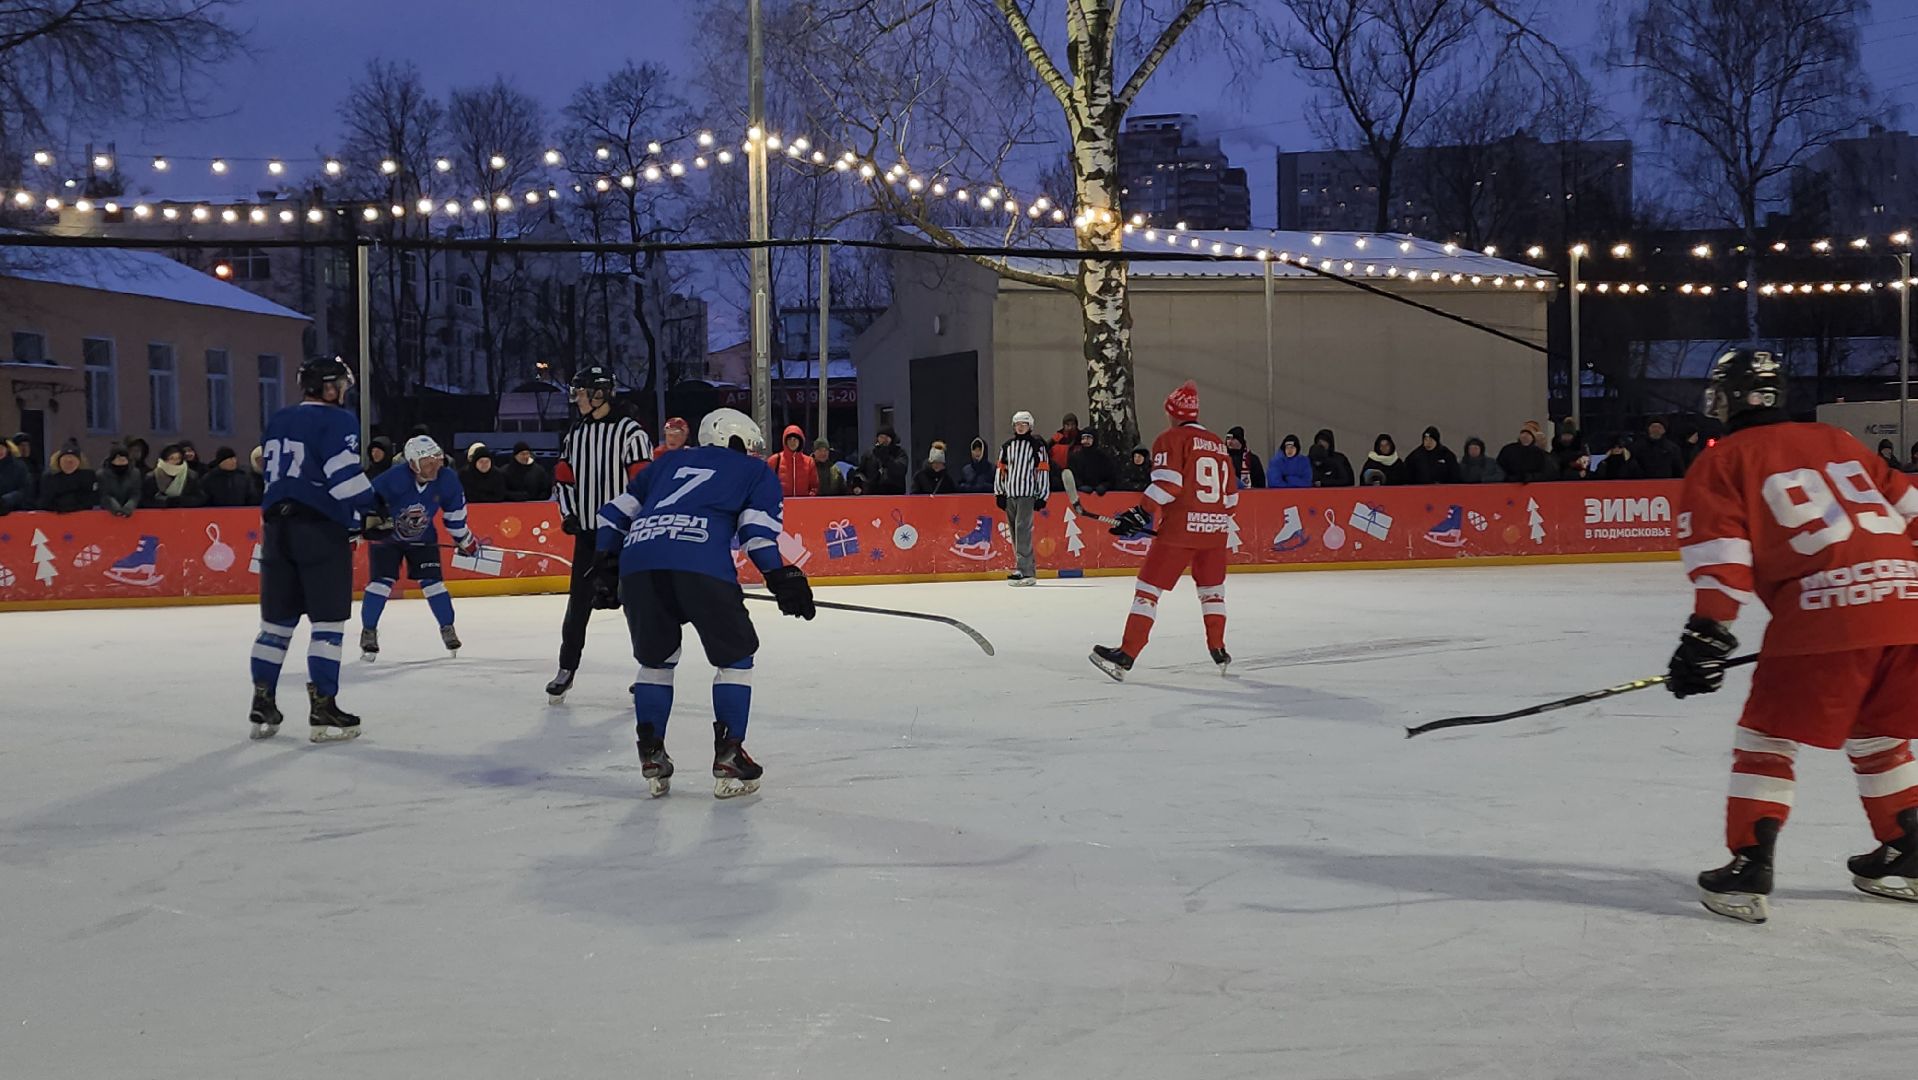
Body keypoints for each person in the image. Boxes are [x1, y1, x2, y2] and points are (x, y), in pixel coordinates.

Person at [1667, 348, 1918, 923]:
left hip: (1823, 611)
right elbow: (1912, 509)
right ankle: (1909, 852)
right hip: (1908, 606)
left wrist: (1707, 634)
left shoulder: (1723, 460)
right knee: (1879, 734)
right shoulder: (1838, 441)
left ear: (1730, 398)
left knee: (1767, 737)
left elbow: (1721, 555)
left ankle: (1749, 868)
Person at [592, 407, 814, 798]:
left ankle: (652, 752)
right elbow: (756, 533)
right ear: (734, 440)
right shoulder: (755, 471)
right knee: (735, 658)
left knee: (655, 662)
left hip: (639, 565)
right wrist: (780, 577)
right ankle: (729, 753)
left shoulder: (666, 463)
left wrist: (607, 564)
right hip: (702, 564)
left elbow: (611, 515)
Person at [250, 356, 389, 743]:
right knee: (327, 626)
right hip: (319, 531)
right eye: (340, 385)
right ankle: (323, 705)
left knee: (275, 626)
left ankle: (262, 700)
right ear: (328, 387)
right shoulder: (338, 420)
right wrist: (374, 508)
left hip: (275, 530)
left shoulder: (279, 418)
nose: (343, 391)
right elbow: (343, 479)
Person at [1091, 381, 1236, 681]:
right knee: (1212, 592)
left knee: (1148, 590)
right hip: (1216, 531)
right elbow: (1232, 500)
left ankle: (1127, 653)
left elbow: (1169, 484)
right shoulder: (1218, 444)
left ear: (1172, 412)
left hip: (1179, 530)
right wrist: (1207, 519)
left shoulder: (1171, 439)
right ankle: (1219, 649)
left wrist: (1141, 511)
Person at [548, 366, 652, 702]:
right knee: (578, 603)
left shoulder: (631, 433)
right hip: (588, 535)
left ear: (599, 394)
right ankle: (566, 668)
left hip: (625, 536)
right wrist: (569, 514)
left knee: (637, 605)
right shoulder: (576, 433)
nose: (576, 399)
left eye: (581, 393)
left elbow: (642, 484)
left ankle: (650, 671)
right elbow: (564, 478)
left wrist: (628, 522)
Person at [360, 435, 476, 660]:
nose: (435, 466)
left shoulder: (447, 479)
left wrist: (464, 539)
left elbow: (455, 514)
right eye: (427, 462)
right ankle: (369, 631)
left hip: (423, 538)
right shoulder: (393, 479)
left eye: (437, 459)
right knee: (381, 584)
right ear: (413, 464)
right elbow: (365, 504)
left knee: (433, 584)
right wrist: (368, 525)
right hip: (388, 540)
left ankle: (447, 627)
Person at [994, 410, 1050, 585]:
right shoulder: (1007, 446)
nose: (1020, 427)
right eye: (1017, 424)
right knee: (1014, 531)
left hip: (1027, 494)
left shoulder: (1037, 447)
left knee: (1022, 529)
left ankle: (1026, 570)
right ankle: (1022, 567)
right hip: (1010, 493)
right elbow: (1001, 470)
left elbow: (1042, 471)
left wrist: (1042, 495)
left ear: (1030, 426)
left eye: (1024, 424)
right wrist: (999, 492)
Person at [767, 424, 819, 497]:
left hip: (803, 503)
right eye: (789, 439)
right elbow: (766, 484)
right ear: (785, 441)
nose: (792, 442)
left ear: (800, 441)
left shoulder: (809, 462)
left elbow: (814, 487)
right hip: (781, 503)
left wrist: (808, 500)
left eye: (795, 439)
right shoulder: (774, 460)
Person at [40, 447, 97, 512]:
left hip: (81, 514)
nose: (69, 461)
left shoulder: (87, 476)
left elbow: (92, 499)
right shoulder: (49, 478)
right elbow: (44, 502)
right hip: (55, 514)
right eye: (65, 460)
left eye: (72, 460)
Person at [855, 429, 908, 495]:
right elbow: (860, 471)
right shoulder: (870, 453)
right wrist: (858, 485)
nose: (884, 440)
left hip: (895, 492)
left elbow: (900, 470)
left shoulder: (899, 452)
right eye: (881, 437)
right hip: (872, 492)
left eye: (886, 437)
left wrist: (886, 458)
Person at [1067, 430, 1118, 495]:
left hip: (1102, 495)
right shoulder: (1074, 458)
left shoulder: (1103, 457)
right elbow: (1072, 476)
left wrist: (1105, 485)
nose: (1085, 441)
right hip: (1081, 494)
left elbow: (1111, 477)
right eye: (1083, 438)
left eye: (1088, 438)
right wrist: (1079, 486)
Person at [97, 445, 141, 515]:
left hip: (131, 513)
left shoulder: (135, 473)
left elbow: (135, 494)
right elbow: (104, 495)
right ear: (112, 460)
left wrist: (129, 507)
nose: (121, 462)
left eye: (123, 460)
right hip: (107, 513)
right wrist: (115, 508)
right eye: (118, 459)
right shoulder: (102, 475)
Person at [0, 436, 35, 513]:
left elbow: (26, 489)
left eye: (1, 448)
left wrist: (6, 499)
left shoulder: (19, 466)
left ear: (7, 449)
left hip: (16, 510)